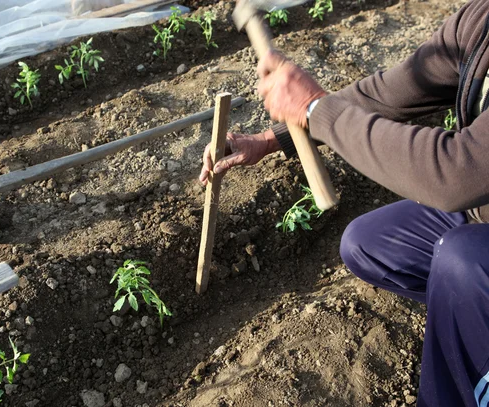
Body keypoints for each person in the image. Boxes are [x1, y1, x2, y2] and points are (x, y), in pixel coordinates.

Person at [199, 0, 489, 406]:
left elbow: (457, 173)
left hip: (473, 210)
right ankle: (470, 326)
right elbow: (393, 93)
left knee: (461, 259)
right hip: (483, 210)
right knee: (366, 243)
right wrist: (272, 139)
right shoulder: (480, 22)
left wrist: (317, 108)